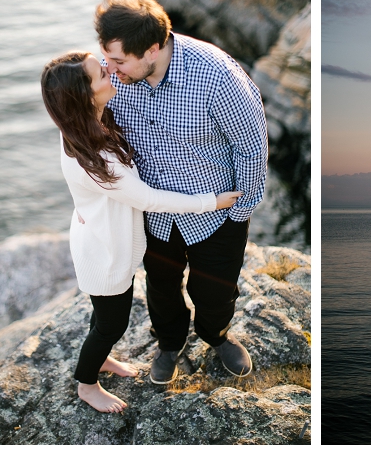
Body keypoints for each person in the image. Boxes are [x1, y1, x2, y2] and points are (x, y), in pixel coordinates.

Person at [41, 51, 242, 413]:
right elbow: (148, 198)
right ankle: (87, 383)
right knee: (111, 325)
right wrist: (210, 202)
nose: (110, 72)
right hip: (105, 254)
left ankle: (100, 359)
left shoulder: (83, 126)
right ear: (85, 96)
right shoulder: (93, 160)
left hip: (103, 239)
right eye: (101, 73)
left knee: (101, 317)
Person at [93, 0, 268, 384]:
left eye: (119, 61)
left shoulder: (218, 76)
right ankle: (170, 343)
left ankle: (217, 336)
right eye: (107, 57)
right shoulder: (112, 75)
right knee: (161, 286)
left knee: (215, 291)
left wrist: (238, 214)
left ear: (152, 49)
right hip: (154, 213)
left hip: (216, 211)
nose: (110, 68)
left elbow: (252, 147)